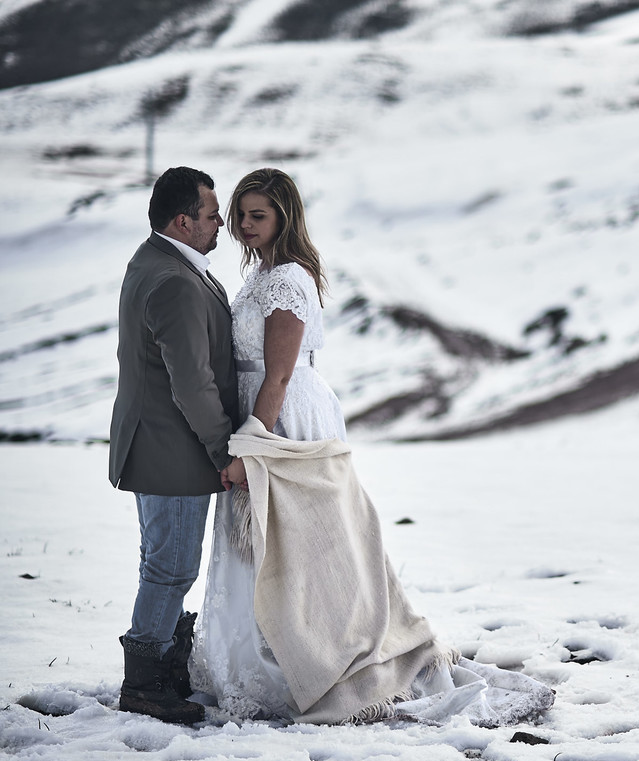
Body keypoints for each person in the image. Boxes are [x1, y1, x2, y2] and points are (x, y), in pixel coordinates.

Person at [189, 168, 553, 725]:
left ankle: (316, 659)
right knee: (269, 546)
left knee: (301, 544)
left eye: (257, 215)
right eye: (239, 214)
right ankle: (269, 659)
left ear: (285, 217)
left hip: (282, 418)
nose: (244, 225)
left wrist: (252, 450)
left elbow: (279, 375)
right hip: (259, 408)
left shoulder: (286, 280)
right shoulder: (261, 275)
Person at [109, 166, 246, 724]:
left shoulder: (156, 261)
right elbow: (192, 384)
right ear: (183, 222)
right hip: (174, 449)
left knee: (162, 562)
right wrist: (223, 451)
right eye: (212, 215)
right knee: (170, 568)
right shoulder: (174, 281)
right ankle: (145, 684)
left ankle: (164, 662)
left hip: (157, 444)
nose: (221, 224)